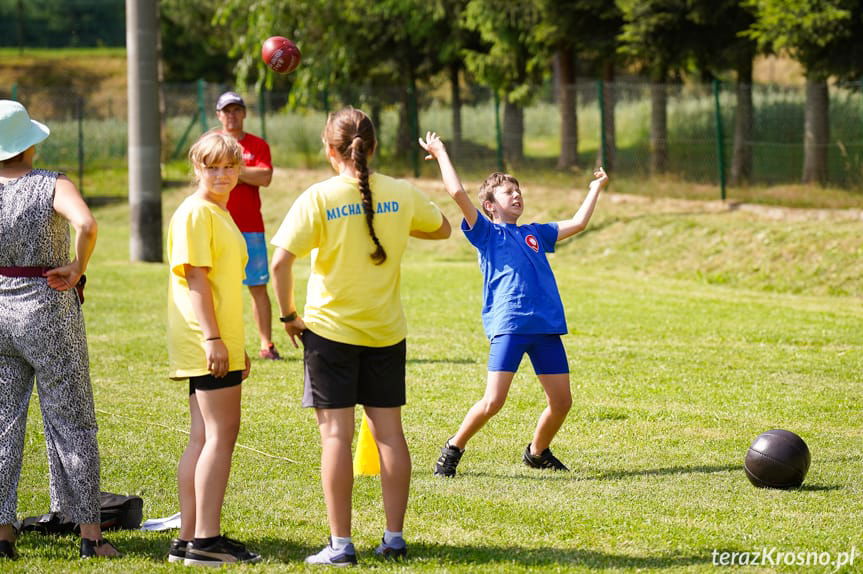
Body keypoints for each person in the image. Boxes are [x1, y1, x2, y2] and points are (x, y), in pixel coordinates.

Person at [270, 107, 451, 565]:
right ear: (373, 147)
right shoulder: (402, 192)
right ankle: (394, 539)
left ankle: (341, 546)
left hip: (329, 332)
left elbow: (280, 262)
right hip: (386, 331)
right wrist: (396, 223)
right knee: (390, 434)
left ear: (331, 150)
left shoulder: (319, 196)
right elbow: (443, 228)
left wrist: (289, 315)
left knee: (336, 437)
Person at [418, 131, 609, 478]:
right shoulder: (486, 234)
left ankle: (537, 452)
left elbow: (579, 223)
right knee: (493, 402)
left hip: (545, 327)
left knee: (562, 402)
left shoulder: (536, 233)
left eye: (519, 191)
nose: (517, 194)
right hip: (510, 326)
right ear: (490, 205)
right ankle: (454, 447)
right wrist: (441, 152)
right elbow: (456, 192)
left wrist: (596, 188)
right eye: (509, 192)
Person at [0, 100, 119, 558]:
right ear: (30, 144)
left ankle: (4, 537)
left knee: (4, 426)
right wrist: (76, 266)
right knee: (73, 422)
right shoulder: (52, 183)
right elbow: (86, 224)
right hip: (46, 308)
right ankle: (90, 536)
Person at [166, 131, 259, 566]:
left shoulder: (218, 212)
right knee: (220, 436)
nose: (222, 175)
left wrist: (232, 345)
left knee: (203, 437)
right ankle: (206, 541)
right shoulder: (196, 213)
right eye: (212, 167)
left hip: (216, 340)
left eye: (229, 166)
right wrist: (213, 339)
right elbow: (196, 279)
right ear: (196, 168)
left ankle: (188, 539)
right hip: (205, 339)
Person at [215, 91, 281, 360]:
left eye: (236, 110)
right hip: (218, 225)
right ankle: (219, 341)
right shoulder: (210, 142)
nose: (231, 115)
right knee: (216, 288)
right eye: (226, 111)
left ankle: (266, 344)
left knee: (258, 286)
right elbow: (203, 178)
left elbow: (265, 176)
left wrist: (229, 170)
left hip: (251, 226)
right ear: (218, 115)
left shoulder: (257, 144)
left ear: (244, 113)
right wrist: (243, 174)